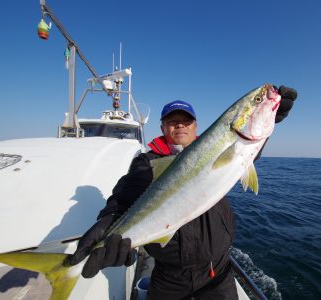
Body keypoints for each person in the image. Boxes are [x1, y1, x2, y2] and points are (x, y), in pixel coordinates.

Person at [67, 85, 298, 299]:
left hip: (218, 272)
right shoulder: (147, 163)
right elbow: (124, 197)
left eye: (185, 121)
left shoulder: (221, 145)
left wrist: (269, 116)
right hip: (170, 277)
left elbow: (242, 151)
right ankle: (64, 275)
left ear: (196, 126)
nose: (179, 125)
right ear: (162, 128)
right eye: (172, 121)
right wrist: (109, 219)